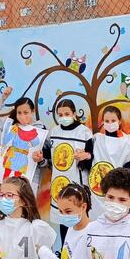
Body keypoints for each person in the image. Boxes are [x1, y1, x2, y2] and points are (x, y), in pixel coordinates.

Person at [0, 87, 49, 196]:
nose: (22, 116)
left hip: (30, 179)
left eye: (26, 112)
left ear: (32, 112)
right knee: (9, 205)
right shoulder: (11, 127)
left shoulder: (40, 131)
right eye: (19, 113)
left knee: (27, 208)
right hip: (9, 168)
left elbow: (47, 161)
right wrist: (2, 99)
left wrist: (41, 160)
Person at [78, 106, 130, 219]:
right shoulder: (95, 140)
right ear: (103, 122)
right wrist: (86, 157)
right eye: (107, 121)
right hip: (96, 196)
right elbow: (87, 165)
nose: (110, 123)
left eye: (113, 121)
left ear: (119, 121)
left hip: (118, 193)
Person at [46, 100, 92, 241]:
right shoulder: (54, 132)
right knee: (64, 221)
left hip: (77, 184)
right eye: (60, 114)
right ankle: (65, 255)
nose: (63, 117)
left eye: (67, 113)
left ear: (74, 113)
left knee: (79, 222)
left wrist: (85, 157)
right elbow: (50, 159)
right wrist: (42, 157)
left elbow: (92, 158)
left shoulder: (84, 132)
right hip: (59, 185)